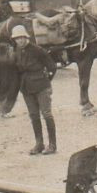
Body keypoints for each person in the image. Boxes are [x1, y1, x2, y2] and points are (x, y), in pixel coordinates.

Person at [10, 24, 57, 156]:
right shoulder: (16, 51)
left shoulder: (37, 50)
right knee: (34, 116)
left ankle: (52, 144)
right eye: (17, 39)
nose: (20, 40)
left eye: (21, 38)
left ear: (26, 37)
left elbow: (52, 67)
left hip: (42, 87)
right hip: (26, 89)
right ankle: (39, 144)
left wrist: (46, 82)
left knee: (47, 114)